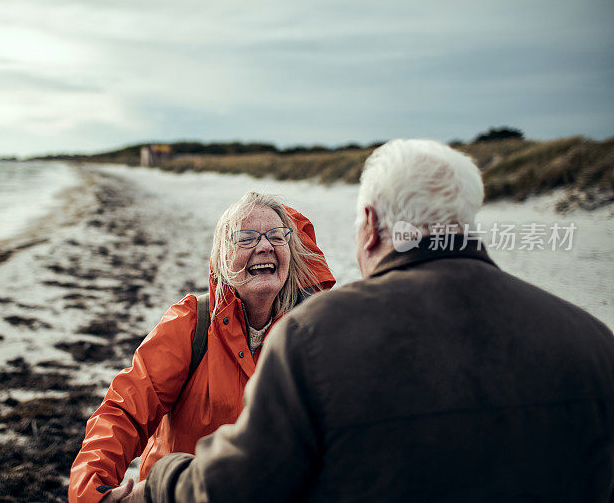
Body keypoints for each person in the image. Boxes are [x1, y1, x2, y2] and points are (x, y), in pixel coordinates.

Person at [141, 139, 614, 502]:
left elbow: (240, 488)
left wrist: (159, 480)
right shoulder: (593, 342)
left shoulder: (314, 335)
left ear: (370, 225)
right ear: (467, 220)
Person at [68, 192, 335, 502]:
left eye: (277, 236)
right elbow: (125, 410)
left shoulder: (310, 336)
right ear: (222, 258)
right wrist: (92, 492)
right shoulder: (192, 325)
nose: (264, 246)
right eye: (246, 238)